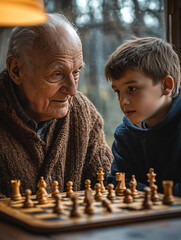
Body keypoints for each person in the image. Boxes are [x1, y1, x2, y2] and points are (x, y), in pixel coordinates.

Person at [0, 13, 113, 197]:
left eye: (76, 72)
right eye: (57, 74)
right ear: (16, 70)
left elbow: (106, 190)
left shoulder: (82, 111)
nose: (72, 90)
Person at [104, 37, 181, 196]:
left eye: (132, 88)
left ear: (165, 86)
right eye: (118, 91)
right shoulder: (125, 134)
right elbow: (118, 181)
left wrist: (148, 194)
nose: (123, 101)